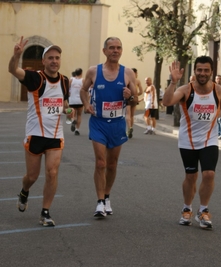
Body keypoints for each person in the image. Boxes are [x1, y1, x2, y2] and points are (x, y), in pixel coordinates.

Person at [8, 36, 72, 227]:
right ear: (44, 61)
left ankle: (45, 212)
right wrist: (16, 55)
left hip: (55, 137)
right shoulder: (35, 78)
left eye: (57, 58)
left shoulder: (65, 81)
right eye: (50, 58)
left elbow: (63, 104)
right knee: (32, 177)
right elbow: (12, 70)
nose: (54, 61)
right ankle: (24, 191)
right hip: (35, 134)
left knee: (52, 173)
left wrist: (68, 110)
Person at [162, 57, 221, 229]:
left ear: (211, 72)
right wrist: (173, 82)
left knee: (209, 174)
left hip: (209, 139)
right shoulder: (186, 90)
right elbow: (167, 102)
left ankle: (203, 210)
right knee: (191, 177)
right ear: (195, 71)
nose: (202, 73)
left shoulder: (218, 90)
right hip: (188, 141)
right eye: (199, 70)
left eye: (206, 70)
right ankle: (187, 208)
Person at [80, 37, 136, 218]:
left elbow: (135, 99)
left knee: (112, 164)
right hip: (99, 122)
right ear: (104, 51)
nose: (115, 51)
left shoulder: (127, 73)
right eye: (111, 48)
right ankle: (99, 202)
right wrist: (86, 104)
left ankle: (107, 196)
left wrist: (129, 96)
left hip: (118, 123)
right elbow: (83, 90)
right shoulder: (93, 71)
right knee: (100, 162)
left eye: (118, 48)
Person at [125, 68, 143, 138]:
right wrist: (136, 95)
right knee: (132, 115)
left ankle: (129, 128)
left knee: (128, 114)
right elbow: (141, 91)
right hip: (135, 98)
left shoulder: (127, 80)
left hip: (129, 97)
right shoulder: (138, 81)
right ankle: (131, 127)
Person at [68, 68, 84, 135]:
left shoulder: (71, 79)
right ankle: (77, 129)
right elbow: (85, 90)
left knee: (73, 113)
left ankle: (73, 120)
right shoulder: (83, 80)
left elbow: (67, 88)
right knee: (79, 115)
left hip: (72, 100)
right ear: (81, 73)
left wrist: (68, 95)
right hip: (80, 100)